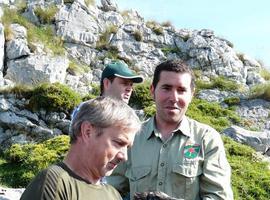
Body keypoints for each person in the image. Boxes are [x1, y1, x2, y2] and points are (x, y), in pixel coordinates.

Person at [107, 59, 234, 200]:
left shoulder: (207, 139)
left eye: (181, 90)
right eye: (166, 88)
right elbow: (112, 190)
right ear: (152, 90)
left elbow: (219, 197)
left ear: (191, 94)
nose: (173, 98)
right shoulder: (131, 137)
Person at [20, 96, 141, 200]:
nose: (124, 157)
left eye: (127, 147)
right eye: (118, 143)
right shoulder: (54, 182)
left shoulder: (113, 195)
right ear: (87, 132)